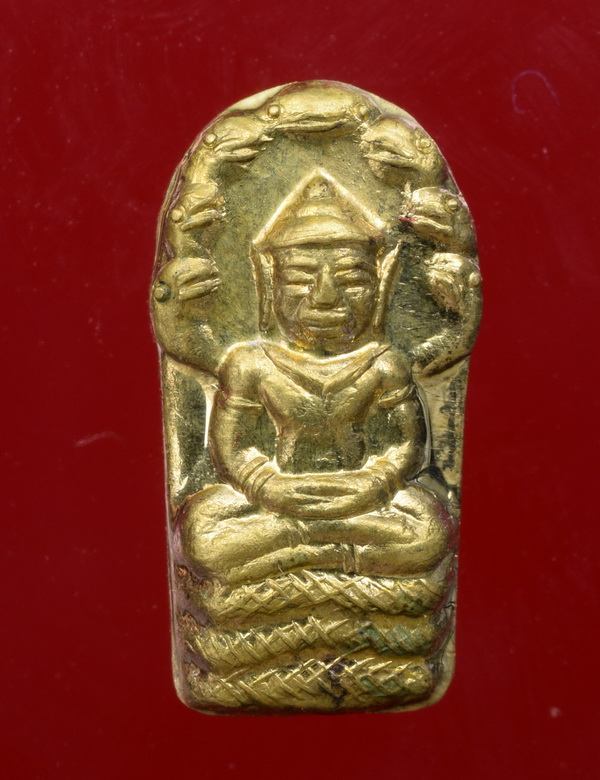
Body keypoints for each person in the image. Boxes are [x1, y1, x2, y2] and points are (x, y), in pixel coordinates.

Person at [176, 172, 454, 586]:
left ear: (379, 286)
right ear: (269, 285)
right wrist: (268, 487)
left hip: (361, 494)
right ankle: (340, 556)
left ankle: (298, 556)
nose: (325, 297)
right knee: (200, 530)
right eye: (300, 278)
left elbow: (407, 446)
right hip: (275, 498)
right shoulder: (250, 363)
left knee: (430, 528)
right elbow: (232, 451)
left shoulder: (385, 364)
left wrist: (374, 485)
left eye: (351, 279)